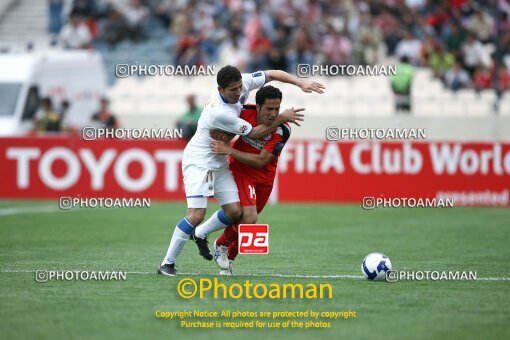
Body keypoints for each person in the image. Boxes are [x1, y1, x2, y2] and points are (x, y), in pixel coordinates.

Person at [157, 65, 325, 276]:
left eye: (239, 87)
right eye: (232, 90)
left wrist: (301, 83)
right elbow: (254, 133)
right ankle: (167, 263)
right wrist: (282, 117)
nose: (238, 93)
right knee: (196, 214)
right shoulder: (221, 112)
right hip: (200, 160)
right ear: (220, 90)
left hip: (220, 161)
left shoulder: (243, 83)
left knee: (235, 212)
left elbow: (272, 74)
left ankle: (201, 235)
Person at [208, 85, 290, 275]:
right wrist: (224, 141)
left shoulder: (283, 130)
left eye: (277, 109)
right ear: (258, 107)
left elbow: (262, 161)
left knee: (247, 224)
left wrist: (230, 149)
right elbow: (222, 124)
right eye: (269, 109)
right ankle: (220, 245)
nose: (273, 113)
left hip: (265, 179)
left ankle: (227, 263)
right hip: (242, 171)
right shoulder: (244, 112)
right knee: (250, 218)